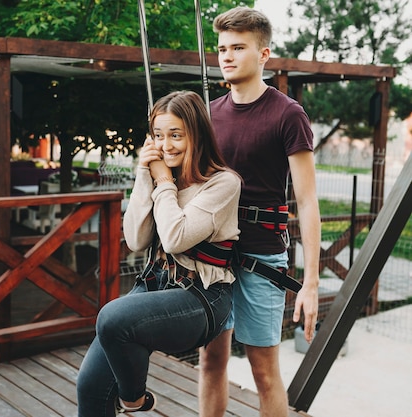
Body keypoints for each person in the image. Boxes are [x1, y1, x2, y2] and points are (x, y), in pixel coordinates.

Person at [76, 90, 241, 416]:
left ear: (197, 133)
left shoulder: (222, 184)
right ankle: (126, 396)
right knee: (90, 386)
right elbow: (136, 239)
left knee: (112, 318)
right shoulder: (163, 174)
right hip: (155, 282)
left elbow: (176, 237)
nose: (166, 145)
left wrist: (164, 183)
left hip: (201, 298)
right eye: (158, 135)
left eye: (176, 135)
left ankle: (134, 400)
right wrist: (143, 174)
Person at [198, 7, 321, 417]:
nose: (227, 56)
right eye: (221, 49)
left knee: (264, 371)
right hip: (213, 255)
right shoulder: (208, 114)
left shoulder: (288, 114)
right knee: (210, 362)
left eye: (238, 47)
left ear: (264, 54)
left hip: (262, 257)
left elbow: (306, 202)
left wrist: (311, 283)